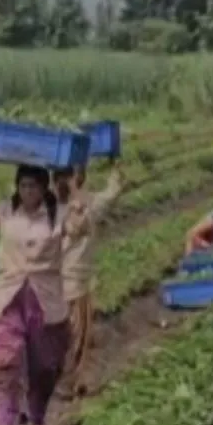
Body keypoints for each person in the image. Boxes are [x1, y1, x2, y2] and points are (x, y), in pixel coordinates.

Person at [0, 159, 87, 425]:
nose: (28, 191)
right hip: (8, 297)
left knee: (44, 367)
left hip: (45, 301)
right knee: (5, 361)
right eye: (23, 186)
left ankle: (37, 421)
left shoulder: (58, 215)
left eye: (34, 186)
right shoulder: (4, 211)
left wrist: (75, 193)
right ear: (17, 187)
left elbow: (82, 227)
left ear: (44, 189)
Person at [52, 162, 124, 400]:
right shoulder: (85, 207)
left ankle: (67, 380)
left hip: (54, 283)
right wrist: (116, 170)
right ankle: (66, 383)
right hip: (73, 283)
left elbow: (112, 193)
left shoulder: (49, 208)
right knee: (76, 335)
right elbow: (113, 192)